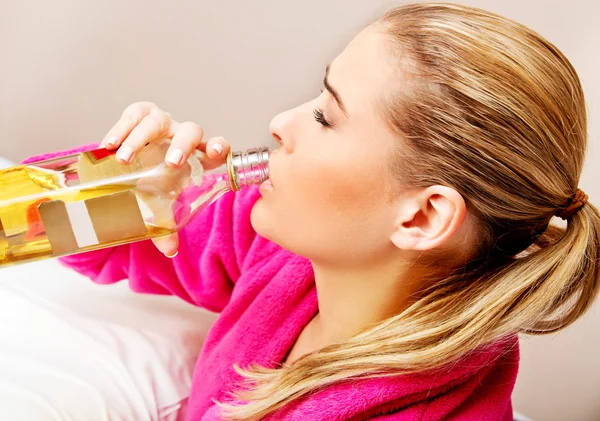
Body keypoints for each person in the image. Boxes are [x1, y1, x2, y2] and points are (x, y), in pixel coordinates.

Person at [25, 2, 599, 420]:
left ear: (421, 218)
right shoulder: (284, 256)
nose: (281, 122)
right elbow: (46, 224)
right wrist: (122, 178)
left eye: (327, 116)